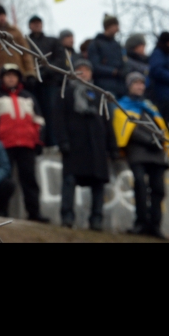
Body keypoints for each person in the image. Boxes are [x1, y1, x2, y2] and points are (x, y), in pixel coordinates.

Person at [55, 59, 118, 231]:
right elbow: (59, 119)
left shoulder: (99, 95)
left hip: (96, 147)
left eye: (87, 70)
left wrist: (113, 147)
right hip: (74, 146)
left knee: (98, 185)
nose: (84, 73)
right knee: (69, 181)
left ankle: (96, 219)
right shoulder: (66, 92)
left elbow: (107, 122)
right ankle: (67, 216)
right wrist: (63, 141)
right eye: (79, 70)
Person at [114, 73, 169, 239]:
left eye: (142, 84)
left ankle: (155, 225)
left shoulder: (150, 107)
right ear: (129, 86)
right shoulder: (123, 105)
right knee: (140, 185)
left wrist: (161, 140)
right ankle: (140, 222)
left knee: (158, 190)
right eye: (136, 84)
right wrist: (151, 140)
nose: (140, 86)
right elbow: (129, 130)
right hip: (138, 152)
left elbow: (161, 128)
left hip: (157, 154)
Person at [0, 64, 48, 223]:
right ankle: (1, 211)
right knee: (4, 179)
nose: (10, 78)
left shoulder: (29, 97)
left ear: (18, 79)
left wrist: (39, 141)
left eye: (14, 75)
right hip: (4, 146)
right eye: (7, 75)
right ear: (2, 78)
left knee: (29, 180)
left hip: (27, 145)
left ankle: (34, 213)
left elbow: (39, 121)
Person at [27, 15, 62, 146]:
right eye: (33, 23)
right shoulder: (26, 42)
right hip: (32, 85)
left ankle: (53, 142)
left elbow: (59, 60)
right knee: (36, 113)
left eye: (38, 23)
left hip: (50, 83)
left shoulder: (52, 41)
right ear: (30, 26)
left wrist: (46, 71)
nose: (36, 25)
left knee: (52, 113)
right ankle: (39, 142)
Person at [0, 6, 36, 89]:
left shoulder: (15, 32)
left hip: (18, 75)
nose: (1, 17)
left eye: (3, 15)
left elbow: (26, 53)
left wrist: (30, 73)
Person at [88, 15, 127, 98]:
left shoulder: (117, 45)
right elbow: (94, 66)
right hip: (104, 87)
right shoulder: (95, 44)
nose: (118, 29)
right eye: (116, 25)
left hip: (121, 88)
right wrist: (113, 71)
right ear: (108, 26)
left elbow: (123, 62)